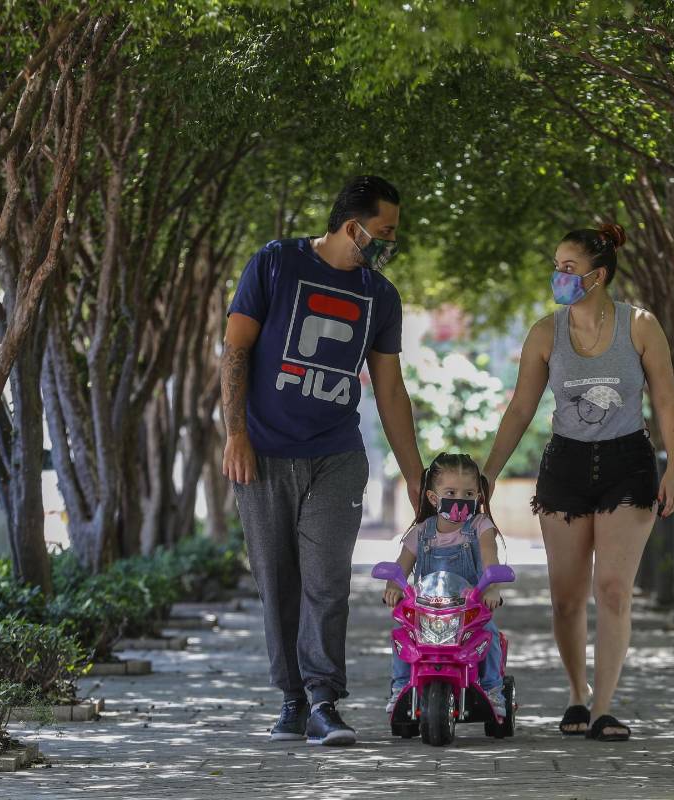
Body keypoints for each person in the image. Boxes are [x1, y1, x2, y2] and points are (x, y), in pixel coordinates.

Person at [221, 176, 423, 747]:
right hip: (262, 453)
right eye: (384, 231)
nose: (390, 242)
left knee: (327, 582)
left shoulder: (380, 296)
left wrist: (415, 474)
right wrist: (235, 434)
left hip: (336, 454)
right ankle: (291, 699)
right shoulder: (276, 262)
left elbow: (390, 389)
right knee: (277, 581)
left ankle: (323, 700)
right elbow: (235, 348)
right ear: (351, 224)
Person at [483, 223, 674, 742]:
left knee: (613, 591)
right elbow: (522, 407)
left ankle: (603, 707)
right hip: (565, 467)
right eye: (557, 267)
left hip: (628, 465)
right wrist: (488, 474)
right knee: (566, 598)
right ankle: (576, 695)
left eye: (568, 269)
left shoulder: (639, 326)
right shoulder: (545, 333)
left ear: (597, 276)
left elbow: (665, 399)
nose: (559, 277)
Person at [381, 453, 506, 715]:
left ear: (478, 497)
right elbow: (401, 565)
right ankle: (401, 687)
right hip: (425, 610)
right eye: (451, 491)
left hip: (469, 610)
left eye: (468, 493)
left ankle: (493, 689)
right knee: (402, 637)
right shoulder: (422, 531)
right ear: (433, 497)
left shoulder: (480, 526)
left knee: (490, 634)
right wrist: (393, 586)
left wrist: (492, 586)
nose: (460, 499)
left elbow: (490, 557)